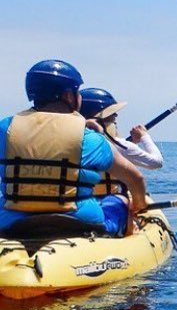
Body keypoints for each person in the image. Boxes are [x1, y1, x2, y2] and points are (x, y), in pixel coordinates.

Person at [0, 60, 147, 237]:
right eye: (77, 91)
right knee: (121, 200)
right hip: (79, 222)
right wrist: (139, 206)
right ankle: (131, 236)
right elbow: (135, 178)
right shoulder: (89, 137)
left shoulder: (5, 129)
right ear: (68, 96)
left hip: (12, 222)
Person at [80, 88, 164, 170]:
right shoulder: (120, 146)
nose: (116, 115)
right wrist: (144, 136)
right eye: (112, 113)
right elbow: (157, 162)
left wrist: (133, 143)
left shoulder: (77, 142)